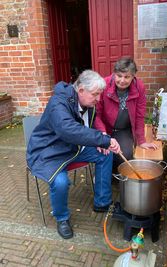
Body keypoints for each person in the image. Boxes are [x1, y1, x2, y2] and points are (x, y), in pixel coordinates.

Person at [26, 70, 121, 240]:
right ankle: (62, 218)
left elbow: (85, 128)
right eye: (95, 94)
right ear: (81, 90)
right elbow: (67, 130)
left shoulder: (87, 104)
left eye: (99, 94)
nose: (98, 99)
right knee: (61, 182)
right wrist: (102, 139)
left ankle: (102, 202)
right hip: (49, 151)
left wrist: (102, 140)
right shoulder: (58, 103)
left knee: (105, 155)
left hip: (73, 148)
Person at [94, 57, 157, 172]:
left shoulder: (139, 87)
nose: (122, 80)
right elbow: (95, 114)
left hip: (124, 129)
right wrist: (102, 133)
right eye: (119, 76)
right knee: (104, 152)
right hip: (104, 128)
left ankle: (117, 177)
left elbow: (139, 115)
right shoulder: (103, 85)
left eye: (127, 77)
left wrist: (141, 141)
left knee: (125, 155)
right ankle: (105, 175)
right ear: (114, 74)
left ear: (133, 76)